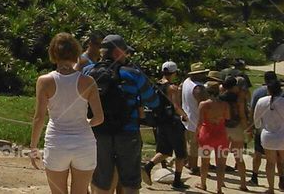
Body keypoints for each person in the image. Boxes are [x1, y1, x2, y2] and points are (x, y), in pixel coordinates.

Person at [83, 34, 159, 194]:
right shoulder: (133, 74)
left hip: (99, 133)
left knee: (101, 181)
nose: (127, 56)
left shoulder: (88, 71)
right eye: (126, 52)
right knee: (130, 182)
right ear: (117, 52)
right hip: (128, 133)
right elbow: (153, 101)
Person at [31, 33, 105, 194]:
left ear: (53, 53)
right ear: (76, 53)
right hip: (84, 142)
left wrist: (33, 147)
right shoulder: (88, 82)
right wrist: (86, 123)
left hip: (57, 141)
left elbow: (39, 118)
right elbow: (99, 118)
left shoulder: (44, 81)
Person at [142, 61, 190, 189]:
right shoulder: (172, 88)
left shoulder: (155, 85)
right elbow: (176, 106)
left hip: (160, 122)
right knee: (180, 153)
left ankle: (148, 166)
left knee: (164, 151)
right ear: (174, 73)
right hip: (173, 122)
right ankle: (177, 181)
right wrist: (185, 116)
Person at [198, 81, 231, 193]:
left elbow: (200, 121)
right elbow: (227, 117)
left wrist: (196, 134)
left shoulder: (203, 104)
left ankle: (203, 184)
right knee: (221, 163)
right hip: (221, 133)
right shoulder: (225, 104)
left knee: (204, 161)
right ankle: (219, 188)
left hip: (206, 133)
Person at [220, 76, 250, 190]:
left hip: (223, 128)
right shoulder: (239, 98)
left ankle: (221, 182)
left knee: (222, 157)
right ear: (234, 86)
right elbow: (242, 115)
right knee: (239, 157)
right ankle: (243, 184)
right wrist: (247, 129)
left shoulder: (221, 97)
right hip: (237, 127)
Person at [252, 71, 280, 187]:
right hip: (281, 133)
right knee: (280, 159)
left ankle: (258, 178)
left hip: (265, 132)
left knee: (266, 159)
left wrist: (257, 127)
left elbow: (255, 116)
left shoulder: (259, 95)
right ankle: (282, 180)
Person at [180, 63, 209, 176]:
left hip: (187, 116)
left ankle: (189, 162)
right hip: (196, 119)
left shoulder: (186, 82)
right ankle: (194, 167)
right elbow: (203, 105)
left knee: (190, 142)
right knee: (195, 145)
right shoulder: (198, 88)